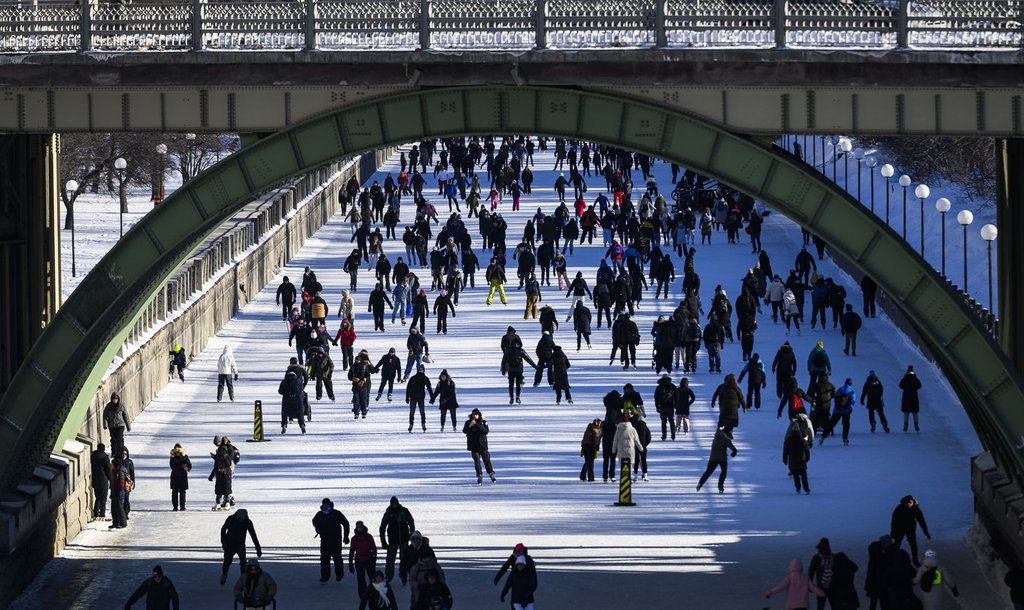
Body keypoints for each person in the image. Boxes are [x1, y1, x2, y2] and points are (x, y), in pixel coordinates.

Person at [313, 497, 351, 583]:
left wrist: (346, 536)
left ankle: (339, 574)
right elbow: (314, 521)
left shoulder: (336, 513)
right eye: (324, 504)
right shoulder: (319, 514)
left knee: (337, 558)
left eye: (327, 504)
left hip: (336, 540)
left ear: (330, 504)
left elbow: (346, 523)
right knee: (324, 559)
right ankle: (325, 576)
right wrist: (318, 529)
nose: (325, 506)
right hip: (324, 540)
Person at [220, 509, 263, 585]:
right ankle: (224, 574)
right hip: (230, 545)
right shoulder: (231, 519)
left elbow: (253, 535)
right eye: (240, 518)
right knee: (227, 561)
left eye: (243, 518)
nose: (241, 520)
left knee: (243, 563)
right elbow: (223, 529)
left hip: (240, 546)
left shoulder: (248, 522)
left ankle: (243, 578)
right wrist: (224, 543)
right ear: (237, 515)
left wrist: (258, 548)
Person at [379, 496, 415, 582]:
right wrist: (383, 541)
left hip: (404, 538)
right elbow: (382, 527)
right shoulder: (388, 513)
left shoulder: (404, 511)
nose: (395, 505)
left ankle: (403, 575)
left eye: (396, 503)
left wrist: (411, 534)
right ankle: (388, 576)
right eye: (393, 503)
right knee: (390, 560)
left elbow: (411, 522)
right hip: (392, 540)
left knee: (404, 559)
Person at [891, 494, 931, 566]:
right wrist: (893, 532)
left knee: (912, 543)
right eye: (907, 502)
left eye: (910, 502)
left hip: (910, 528)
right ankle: (893, 558)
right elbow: (894, 520)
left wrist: (926, 531)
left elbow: (921, 521)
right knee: (897, 542)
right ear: (904, 502)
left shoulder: (916, 509)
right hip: (900, 528)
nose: (909, 504)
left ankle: (915, 560)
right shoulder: (899, 508)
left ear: (913, 502)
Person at [696, 426, 737, 493]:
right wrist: (734, 451)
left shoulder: (717, 435)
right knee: (723, 472)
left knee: (708, 472)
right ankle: (720, 487)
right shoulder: (726, 438)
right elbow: (730, 446)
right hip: (722, 458)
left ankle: (700, 483)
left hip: (713, 457)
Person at [349, 521, 378, 608]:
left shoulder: (368, 537)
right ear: (356, 528)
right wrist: (350, 563)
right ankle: (363, 596)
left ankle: (374, 594)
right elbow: (351, 551)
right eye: (358, 527)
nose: (360, 528)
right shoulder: (354, 539)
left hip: (369, 560)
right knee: (361, 581)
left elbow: (374, 548)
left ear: (363, 527)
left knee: (372, 579)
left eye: (361, 526)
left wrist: (374, 558)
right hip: (359, 561)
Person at [464, 408, 496, 485]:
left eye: (476, 414)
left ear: (479, 415)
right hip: (473, 446)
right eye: (473, 414)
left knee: (487, 460)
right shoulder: (468, 422)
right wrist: (470, 426)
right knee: (477, 462)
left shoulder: (483, 422)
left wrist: (477, 425)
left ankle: (491, 473)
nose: (474, 416)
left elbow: (486, 431)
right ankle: (479, 475)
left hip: (483, 446)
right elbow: (464, 431)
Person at [820, 378, 855, 445]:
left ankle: (823, 436)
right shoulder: (851, 391)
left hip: (837, 410)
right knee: (846, 425)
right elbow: (852, 402)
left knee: (831, 424)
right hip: (846, 411)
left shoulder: (839, 389)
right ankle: (845, 438)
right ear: (850, 384)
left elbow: (835, 399)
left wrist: (835, 410)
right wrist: (850, 409)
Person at [209, 435, 240, 510]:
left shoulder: (229, 447)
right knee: (221, 486)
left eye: (217, 443)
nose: (216, 445)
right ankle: (224, 501)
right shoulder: (220, 449)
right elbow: (217, 463)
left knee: (227, 485)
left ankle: (228, 501)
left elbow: (230, 459)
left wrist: (223, 457)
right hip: (222, 469)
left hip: (228, 468)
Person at [783, 424, 811, 494]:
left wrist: (785, 459)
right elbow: (807, 450)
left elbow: (785, 451)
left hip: (793, 460)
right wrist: (807, 458)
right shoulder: (802, 440)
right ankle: (806, 489)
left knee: (796, 476)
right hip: (802, 460)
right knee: (804, 475)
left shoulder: (788, 440)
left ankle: (798, 488)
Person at [807, 538, 834, 609]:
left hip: (826, 586)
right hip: (828, 587)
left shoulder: (816, 558)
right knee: (824, 606)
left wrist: (810, 585)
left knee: (822, 606)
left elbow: (811, 572)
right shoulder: (833, 557)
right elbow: (811, 572)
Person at [103, 393, 131, 459]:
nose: (115, 400)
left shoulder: (121, 406)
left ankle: (121, 452)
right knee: (114, 440)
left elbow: (125, 416)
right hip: (112, 425)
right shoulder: (109, 406)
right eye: (113, 399)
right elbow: (105, 415)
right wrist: (105, 424)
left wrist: (128, 426)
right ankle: (114, 452)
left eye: (116, 399)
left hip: (120, 425)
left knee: (120, 439)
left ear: (118, 399)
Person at [278, 369, 306, 434]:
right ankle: (302, 426)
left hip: (287, 400)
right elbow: (301, 390)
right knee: (300, 413)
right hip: (298, 401)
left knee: (284, 413)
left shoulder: (284, 381)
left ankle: (284, 426)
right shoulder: (299, 381)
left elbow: (280, 391)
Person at [350, 349, 374, 419]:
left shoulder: (367, 361)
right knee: (356, 396)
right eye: (362, 354)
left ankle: (365, 407)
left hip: (366, 380)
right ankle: (356, 408)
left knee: (366, 395)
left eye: (365, 354)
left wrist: (369, 363)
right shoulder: (357, 361)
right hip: (357, 382)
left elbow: (372, 371)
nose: (363, 356)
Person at [91, 442, 112, 519]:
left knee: (97, 497)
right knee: (103, 497)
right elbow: (108, 470)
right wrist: (111, 479)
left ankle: (96, 513)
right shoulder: (105, 458)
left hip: (95, 480)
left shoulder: (93, 456)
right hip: (103, 480)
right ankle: (102, 513)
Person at [899, 365, 922, 432]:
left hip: (906, 396)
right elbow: (919, 385)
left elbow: (900, 385)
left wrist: (906, 388)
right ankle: (916, 425)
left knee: (906, 412)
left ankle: (905, 425)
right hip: (914, 396)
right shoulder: (915, 378)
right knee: (914, 412)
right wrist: (914, 388)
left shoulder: (905, 377)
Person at [169, 443, 191, 512]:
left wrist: (187, 468)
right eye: (176, 452)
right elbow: (172, 466)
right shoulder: (172, 458)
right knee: (174, 492)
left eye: (179, 452)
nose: (177, 453)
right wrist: (181, 466)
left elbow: (190, 465)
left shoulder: (185, 457)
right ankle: (175, 506)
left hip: (183, 477)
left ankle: (182, 506)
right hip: (175, 477)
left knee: (183, 492)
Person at [109, 456, 129, 529]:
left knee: (120, 509)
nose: (111, 465)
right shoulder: (115, 471)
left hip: (118, 493)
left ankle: (123, 523)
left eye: (112, 464)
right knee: (113, 509)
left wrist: (119, 494)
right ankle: (115, 523)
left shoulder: (120, 472)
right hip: (114, 492)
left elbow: (121, 484)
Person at [120, 446, 136, 518]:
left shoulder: (129, 462)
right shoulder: (118, 461)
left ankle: (126, 512)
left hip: (127, 483)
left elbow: (132, 472)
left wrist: (133, 482)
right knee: (120, 498)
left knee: (126, 497)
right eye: (122, 454)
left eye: (125, 454)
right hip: (119, 482)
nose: (124, 455)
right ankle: (121, 512)